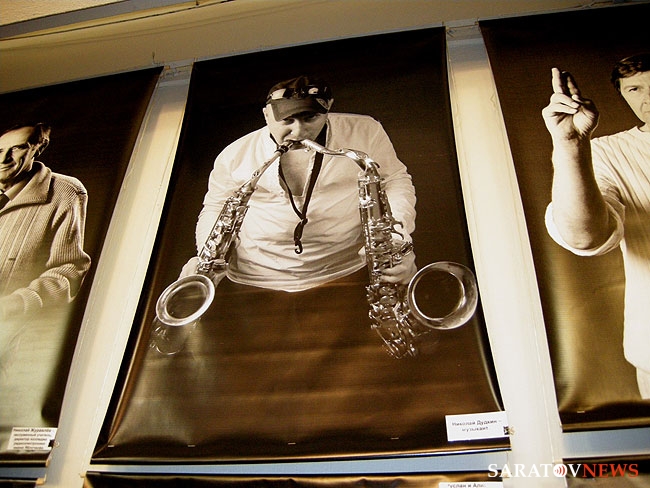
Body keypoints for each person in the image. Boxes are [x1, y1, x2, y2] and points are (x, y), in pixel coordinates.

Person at [174, 75, 418, 355]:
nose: (299, 131)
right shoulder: (234, 155)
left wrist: (397, 241)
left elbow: (395, 180)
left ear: (328, 108)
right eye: (287, 120)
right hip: (254, 284)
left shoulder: (365, 131)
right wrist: (206, 256)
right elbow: (215, 206)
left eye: (310, 118)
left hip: (346, 274)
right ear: (267, 115)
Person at [542, 53, 650, 398]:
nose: (648, 98)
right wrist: (570, 145)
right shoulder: (607, 153)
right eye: (635, 89)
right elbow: (585, 237)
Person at [0, 122, 91, 343]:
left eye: (17, 148)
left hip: (16, 338)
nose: (4, 159)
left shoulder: (66, 192)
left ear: (39, 147)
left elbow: (69, 271)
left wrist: (16, 305)